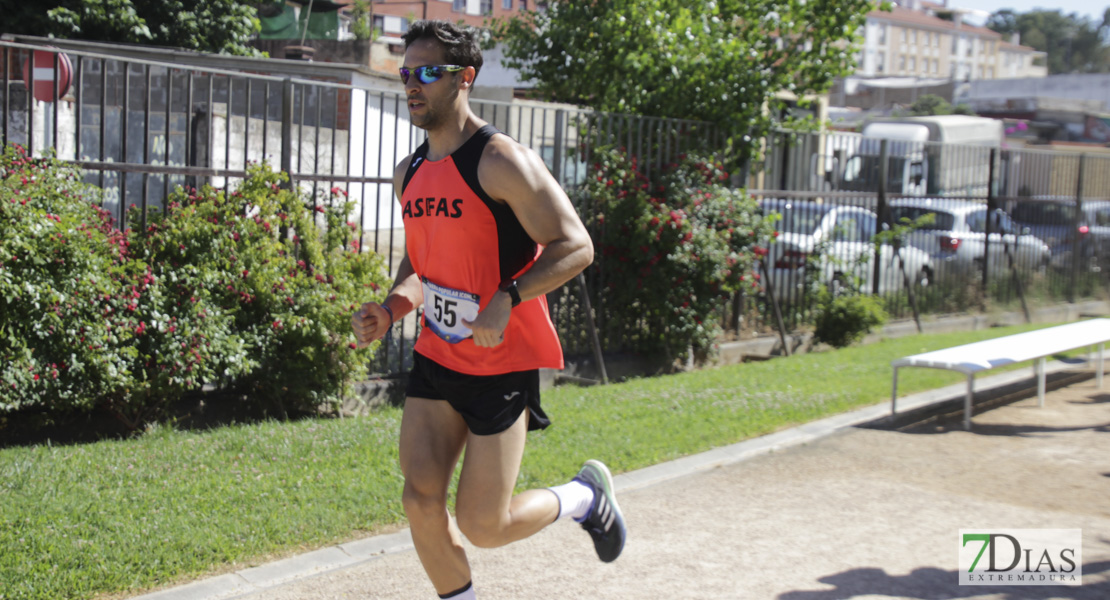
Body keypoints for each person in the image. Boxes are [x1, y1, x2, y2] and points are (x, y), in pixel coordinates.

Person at [351, 19, 627, 600]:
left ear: (465, 78)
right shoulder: (410, 173)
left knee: (484, 525)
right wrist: (391, 308)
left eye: (429, 72)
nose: (413, 85)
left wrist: (510, 295)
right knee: (419, 498)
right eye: (407, 73)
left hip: (500, 365)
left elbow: (576, 245)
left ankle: (583, 498)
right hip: (436, 357)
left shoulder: (502, 161)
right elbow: (424, 262)